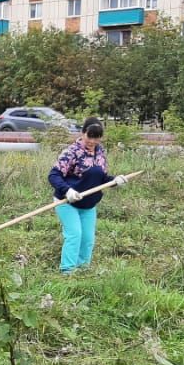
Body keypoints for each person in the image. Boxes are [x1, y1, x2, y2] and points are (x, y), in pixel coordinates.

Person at [47, 117, 127, 273]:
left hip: (89, 204)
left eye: (96, 137)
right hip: (67, 201)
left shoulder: (100, 152)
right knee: (75, 235)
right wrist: (67, 190)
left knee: (87, 239)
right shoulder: (72, 152)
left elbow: (101, 178)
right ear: (83, 133)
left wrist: (115, 180)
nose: (92, 141)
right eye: (89, 136)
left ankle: (83, 270)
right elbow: (54, 175)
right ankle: (67, 271)